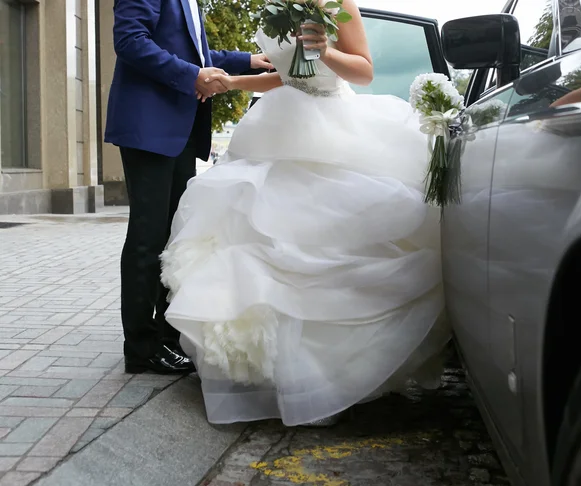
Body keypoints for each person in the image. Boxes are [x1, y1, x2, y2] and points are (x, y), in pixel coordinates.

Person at [160, 0, 450, 426]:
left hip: (333, 132)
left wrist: (325, 51)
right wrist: (235, 82)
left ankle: (330, 377)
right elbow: (289, 76)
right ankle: (275, 375)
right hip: (278, 128)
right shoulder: (279, 6)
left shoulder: (337, 3)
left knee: (321, 251)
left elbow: (364, 70)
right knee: (258, 238)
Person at [104, 0, 273, 375]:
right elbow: (130, 40)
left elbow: (191, 51)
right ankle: (141, 347)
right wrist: (191, 76)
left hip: (177, 129)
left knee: (175, 236)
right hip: (149, 126)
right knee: (148, 237)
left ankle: (167, 337)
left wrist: (246, 61)